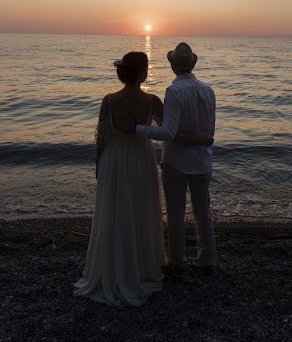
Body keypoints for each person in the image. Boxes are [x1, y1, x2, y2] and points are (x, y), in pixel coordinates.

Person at [74, 51, 211, 305]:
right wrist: (200, 140)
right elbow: (171, 133)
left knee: (115, 212)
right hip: (140, 160)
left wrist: (98, 168)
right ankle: (143, 266)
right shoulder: (152, 101)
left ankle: (115, 266)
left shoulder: (109, 101)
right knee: (141, 211)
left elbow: (101, 140)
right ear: (143, 72)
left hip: (114, 162)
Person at [135, 42, 217, 276]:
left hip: (177, 161)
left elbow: (169, 132)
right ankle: (207, 260)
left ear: (172, 66)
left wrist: (139, 129)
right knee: (203, 212)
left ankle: (177, 261)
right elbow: (208, 130)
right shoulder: (208, 90)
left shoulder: (174, 91)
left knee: (175, 212)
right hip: (203, 161)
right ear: (192, 65)